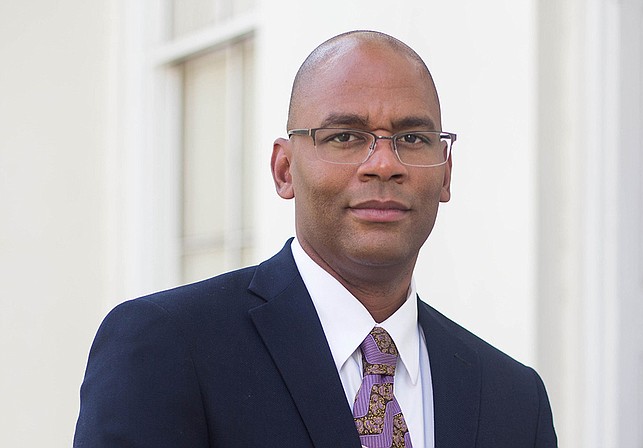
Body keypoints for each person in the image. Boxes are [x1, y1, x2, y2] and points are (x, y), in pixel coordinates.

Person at [74, 30, 557, 447]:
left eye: (412, 138)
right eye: (345, 137)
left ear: (445, 174)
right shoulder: (169, 347)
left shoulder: (512, 399)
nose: (384, 164)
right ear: (284, 170)